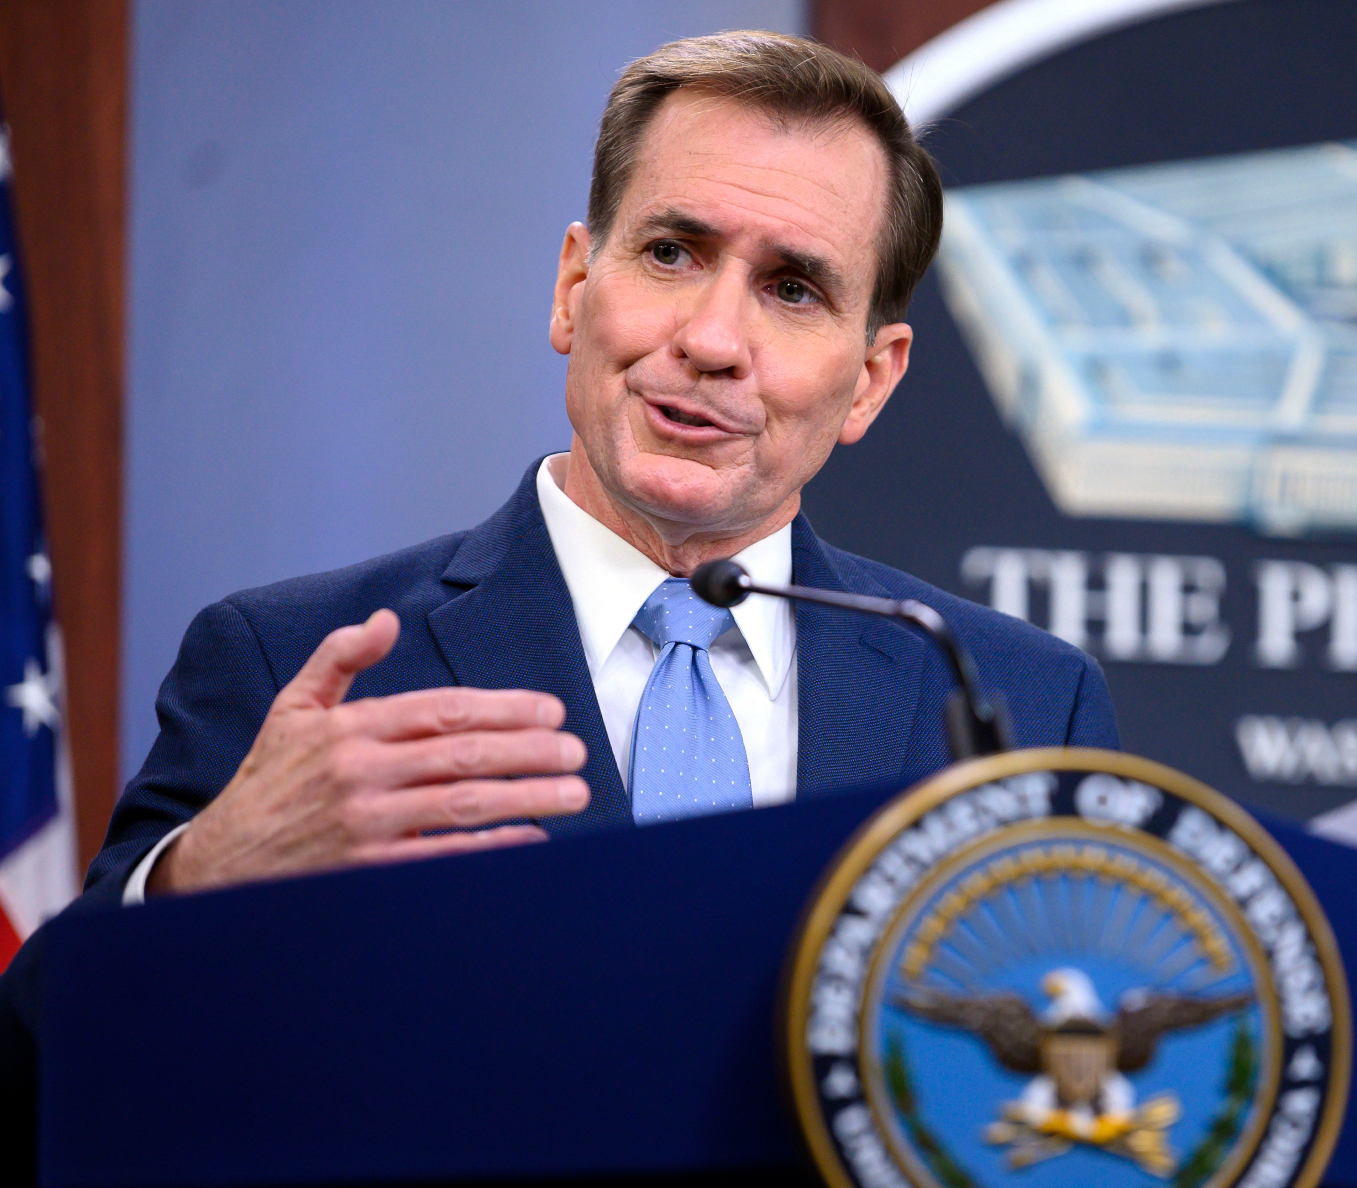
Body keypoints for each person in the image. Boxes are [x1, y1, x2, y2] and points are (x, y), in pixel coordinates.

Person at [84, 30, 1117, 904]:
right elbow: (41, 1043)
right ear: (574, 288)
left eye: (793, 289)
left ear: (870, 382)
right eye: (672, 253)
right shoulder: (290, 662)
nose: (712, 339)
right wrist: (200, 876)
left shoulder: (1024, 705)